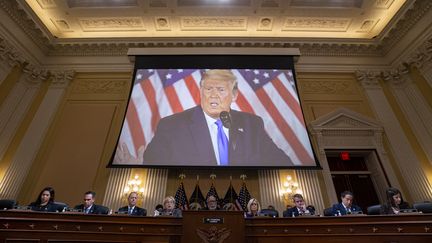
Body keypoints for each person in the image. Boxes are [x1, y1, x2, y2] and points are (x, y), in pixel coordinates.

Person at [139, 69, 293, 166]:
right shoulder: (172, 125)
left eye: (220, 90)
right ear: (200, 91)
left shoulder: (251, 124)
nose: (213, 95)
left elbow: (283, 163)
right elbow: (152, 163)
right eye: (208, 89)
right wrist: (139, 167)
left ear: (234, 95)